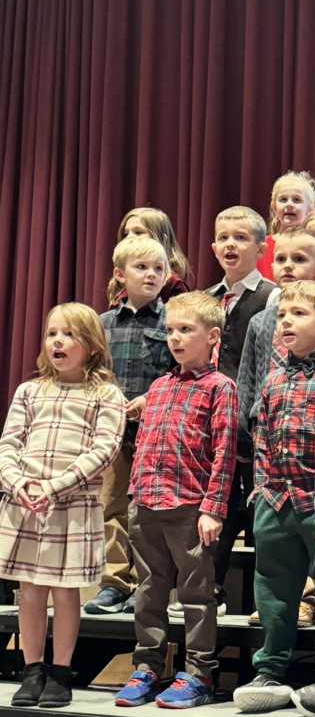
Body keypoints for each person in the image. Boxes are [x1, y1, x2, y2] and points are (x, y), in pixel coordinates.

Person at [114, 292, 237, 709]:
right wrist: (134, 493)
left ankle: (199, 672)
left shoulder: (220, 387)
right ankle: (147, 666)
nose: (175, 338)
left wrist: (213, 508)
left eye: (186, 330)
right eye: (170, 330)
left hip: (189, 506)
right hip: (146, 502)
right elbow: (148, 442)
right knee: (149, 589)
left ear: (212, 336)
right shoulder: (160, 386)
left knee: (197, 593)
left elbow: (224, 453)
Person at [0, 304, 125, 708]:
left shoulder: (105, 395)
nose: (58, 341)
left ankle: (60, 671)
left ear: (90, 345)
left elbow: (104, 450)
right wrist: (18, 483)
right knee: (30, 591)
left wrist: (54, 487)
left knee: (65, 591)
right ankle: (31, 669)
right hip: (25, 505)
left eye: (69, 334)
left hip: (72, 506)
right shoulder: (29, 391)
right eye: (53, 333)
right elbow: (8, 445)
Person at [233, 282, 315, 717]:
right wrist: (262, 488)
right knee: (273, 589)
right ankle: (269, 669)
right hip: (275, 497)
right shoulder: (275, 374)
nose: (285, 322)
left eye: (298, 315)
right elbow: (262, 432)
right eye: (282, 315)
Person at [237, 228, 315, 625]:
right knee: (276, 552)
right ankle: (279, 620)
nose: (287, 267)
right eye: (280, 259)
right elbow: (249, 377)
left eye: (298, 260)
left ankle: (311, 601)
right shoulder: (262, 321)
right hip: (274, 445)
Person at [85, 238, 175, 616]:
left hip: (156, 434)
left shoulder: (172, 319)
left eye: (159, 268)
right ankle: (115, 582)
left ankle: (149, 584)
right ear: (120, 275)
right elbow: (90, 373)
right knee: (110, 507)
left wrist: (150, 400)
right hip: (113, 435)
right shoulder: (102, 323)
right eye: (142, 268)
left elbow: (180, 371)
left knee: (149, 513)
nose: (152, 274)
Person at [201, 206, 275, 614]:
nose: (231, 244)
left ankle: (268, 599)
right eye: (224, 237)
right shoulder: (206, 299)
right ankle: (210, 586)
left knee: (255, 507)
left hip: (250, 418)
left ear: (261, 247)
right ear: (214, 247)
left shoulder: (272, 295)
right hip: (208, 421)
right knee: (215, 504)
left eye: (241, 237)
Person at [108, 207, 192, 307]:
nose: (129, 238)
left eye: (138, 232)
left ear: (162, 239)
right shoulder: (123, 279)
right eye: (125, 234)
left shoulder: (173, 286)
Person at [256, 171, 315, 281]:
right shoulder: (262, 246)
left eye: (297, 200)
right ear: (274, 208)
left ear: (309, 209)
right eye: (283, 199)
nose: (289, 204)